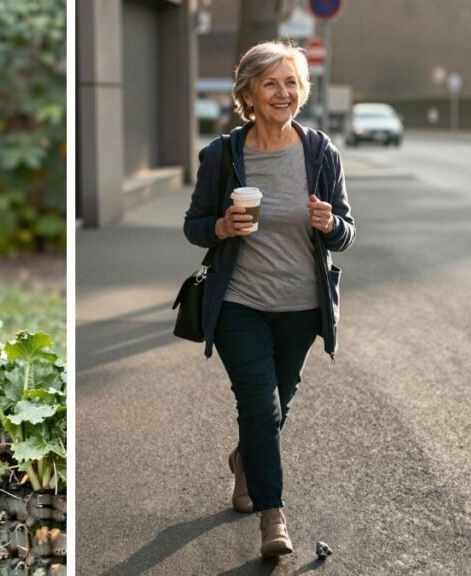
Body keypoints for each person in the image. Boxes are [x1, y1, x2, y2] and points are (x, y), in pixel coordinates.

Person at [183, 40, 356, 557]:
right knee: (259, 404)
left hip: (302, 307)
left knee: (276, 406)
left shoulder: (321, 153)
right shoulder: (223, 155)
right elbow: (194, 227)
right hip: (240, 301)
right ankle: (272, 516)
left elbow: (347, 230)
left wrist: (330, 225)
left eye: (292, 83)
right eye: (271, 83)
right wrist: (220, 225)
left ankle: (245, 461)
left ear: (302, 92)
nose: (283, 93)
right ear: (249, 94)